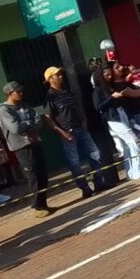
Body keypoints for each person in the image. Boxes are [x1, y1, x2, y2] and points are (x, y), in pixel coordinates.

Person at [42, 67, 114, 198]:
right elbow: (48, 119)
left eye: (60, 74)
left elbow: (78, 108)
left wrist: (84, 122)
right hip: (67, 133)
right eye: (57, 75)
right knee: (74, 163)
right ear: (50, 79)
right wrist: (62, 133)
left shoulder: (67, 92)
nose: (60, 77)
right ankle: (85, 188)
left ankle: (99, 182)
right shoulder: (49, 98)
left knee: (95, 154)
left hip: (80, 128)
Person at [0, 81, 53, 217]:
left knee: (43, 174)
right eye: (18, 91)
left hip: (35, 142)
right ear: (10, 94)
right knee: (32, 175)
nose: (21, 93)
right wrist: (30, 123)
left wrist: (27, 124)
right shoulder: (5, 110)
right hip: (22, 146)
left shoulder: (25, 105)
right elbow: (15, 128)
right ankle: (37, 206)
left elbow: (39, 122)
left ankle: (43, 203)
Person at [92, 65, 140, 181]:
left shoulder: (111, 86)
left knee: (127, 146)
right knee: (133, 140)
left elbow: (123, 102)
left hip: (122, 114)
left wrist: (130, 117)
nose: (109, 77)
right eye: (106, 75)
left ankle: (132, 173)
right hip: (113, 119)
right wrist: (111, 97)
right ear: (101, 77)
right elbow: (98, 107)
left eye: (110, 74)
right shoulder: (98, 91)